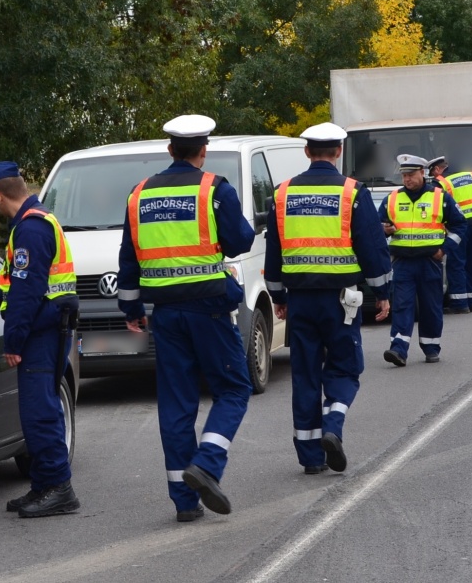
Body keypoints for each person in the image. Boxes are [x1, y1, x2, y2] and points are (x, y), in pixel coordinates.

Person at [117, 115, 255, 522]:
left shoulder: (139, 194)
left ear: (170, 149)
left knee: (176, 403)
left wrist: (132, 310)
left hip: (165, 314)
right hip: (209, 309)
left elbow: (129, 259)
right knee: (234, 388)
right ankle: (207, 464)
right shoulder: (214, 189)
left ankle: (184, 500)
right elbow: (240, 241)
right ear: (203, 150)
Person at [264, 122, 392, 476]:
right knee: (346, 367)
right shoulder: (352, 192)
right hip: (340, 302)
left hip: (299, 300)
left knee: (305, 374)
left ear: (307, 152)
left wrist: (277, 295)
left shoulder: (282, 194)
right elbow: (372, 247)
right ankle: (333, 425)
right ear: (339, 151)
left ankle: (310, 458)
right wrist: (383, 293)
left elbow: (274, 250)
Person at [0, 161, 80, 519]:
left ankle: (59, 488)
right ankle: (43, 485)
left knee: (40, 414)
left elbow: (28, 293)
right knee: (39, 411)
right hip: (47, 326)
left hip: (41, 333)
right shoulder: (36, 221)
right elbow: (29, 285)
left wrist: (13, 342)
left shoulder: (31, 228)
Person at [381, 154, 466, 366]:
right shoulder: (392, 198)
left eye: (411, 175)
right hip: (402, 262)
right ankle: (398, 349)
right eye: (404, 175)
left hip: (430, 262)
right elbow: (375, 227)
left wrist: (444, 249)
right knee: (402, 305)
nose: (407, 179)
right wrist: (384, 229)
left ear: (422, 173)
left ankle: (431, 347)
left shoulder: (440, 197)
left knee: (431, 307)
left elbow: (460, 225)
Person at [430, 156, 472, 313]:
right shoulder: (471, 175)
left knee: (456, 263)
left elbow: (440, 208)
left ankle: (459, 303)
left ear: (437, 169)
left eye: (432, 172)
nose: (433, 176)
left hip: (458, 228)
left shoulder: (441, 182)